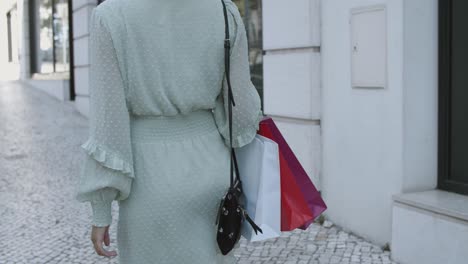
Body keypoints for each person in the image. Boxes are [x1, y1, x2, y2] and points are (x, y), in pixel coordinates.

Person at [74, 0, 263, 263]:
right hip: (211, 171)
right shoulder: (224, 10)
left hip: (149, 179)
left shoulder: (110, 15)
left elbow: (109, 123)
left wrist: (102, 209)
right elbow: (240, 117)